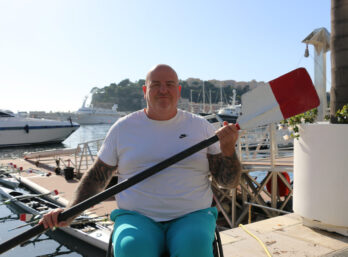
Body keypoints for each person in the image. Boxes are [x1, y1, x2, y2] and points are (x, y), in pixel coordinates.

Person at [40, 64, 241, 257]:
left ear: (178, 91)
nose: (163, 90)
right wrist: (70, 211)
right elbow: (97, 177)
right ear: (145, 90)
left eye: (169, 84)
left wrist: (228, 149)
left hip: (192, 215)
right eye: (156, 85)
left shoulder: (202, 127)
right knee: (131, 248)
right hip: (137, 218)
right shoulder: (122, 128)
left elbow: (228, 182)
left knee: (193, 247)